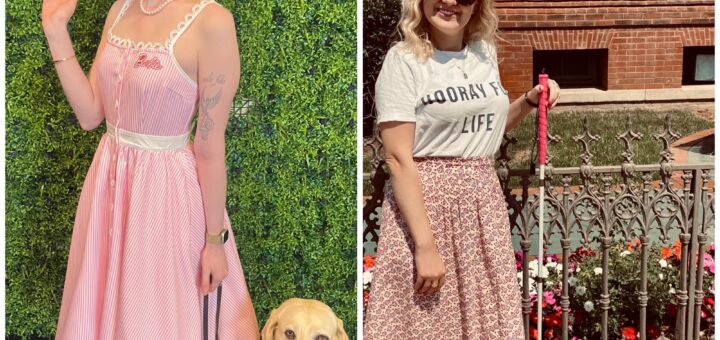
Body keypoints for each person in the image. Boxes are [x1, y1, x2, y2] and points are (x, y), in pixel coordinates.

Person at [41, 0, 259, 338]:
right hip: (107, 180)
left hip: (164, 196)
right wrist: (55, 31)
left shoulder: (212, 22)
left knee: (150, 315)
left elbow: (210, 147)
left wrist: (214, 241)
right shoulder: (121, 9)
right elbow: (90, 114)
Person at [364, 0, 560, 338]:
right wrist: (425, 246)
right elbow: (398, 158)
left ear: (478, 6)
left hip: (482, 207)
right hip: (426, 208)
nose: (451, 2)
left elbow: (489, 129)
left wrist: (529, 100)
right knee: (428, 321)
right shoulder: (404, 60)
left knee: (486, 318)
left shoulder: (483, 52)